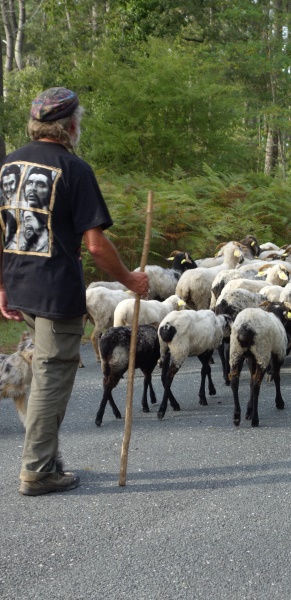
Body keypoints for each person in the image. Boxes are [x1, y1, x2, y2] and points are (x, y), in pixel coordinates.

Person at [0, 87, 149, 497]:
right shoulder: (74, 169)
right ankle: (38, 470)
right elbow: (97, 246)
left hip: (20, 283)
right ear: (70, 125)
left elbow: (3, 228)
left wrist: (2, 283)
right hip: (55, 292)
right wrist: (130, 280)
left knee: (42, 369)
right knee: (52, 377)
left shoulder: (8, 165)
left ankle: (43, 456)